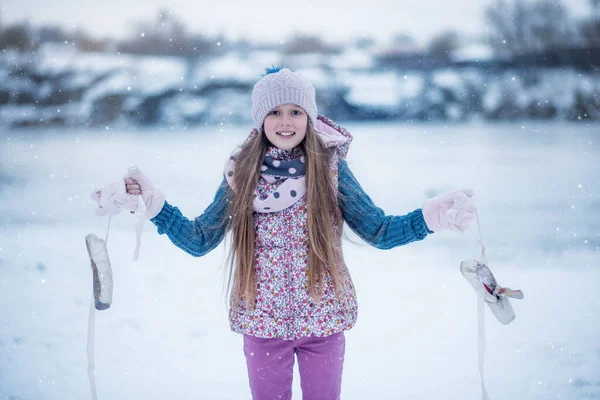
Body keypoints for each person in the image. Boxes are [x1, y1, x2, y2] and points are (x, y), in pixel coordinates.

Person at [118, 67, 476, 400]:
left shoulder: (331, 169)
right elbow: (200, 239)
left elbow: (379, 231)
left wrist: (430, 218)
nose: (285, 121)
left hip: (324, 322)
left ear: (310, 117)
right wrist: (154, 206)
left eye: (295, 111)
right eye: (274, 112)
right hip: (262, 324)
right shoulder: (240, 174)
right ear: (260, 120)